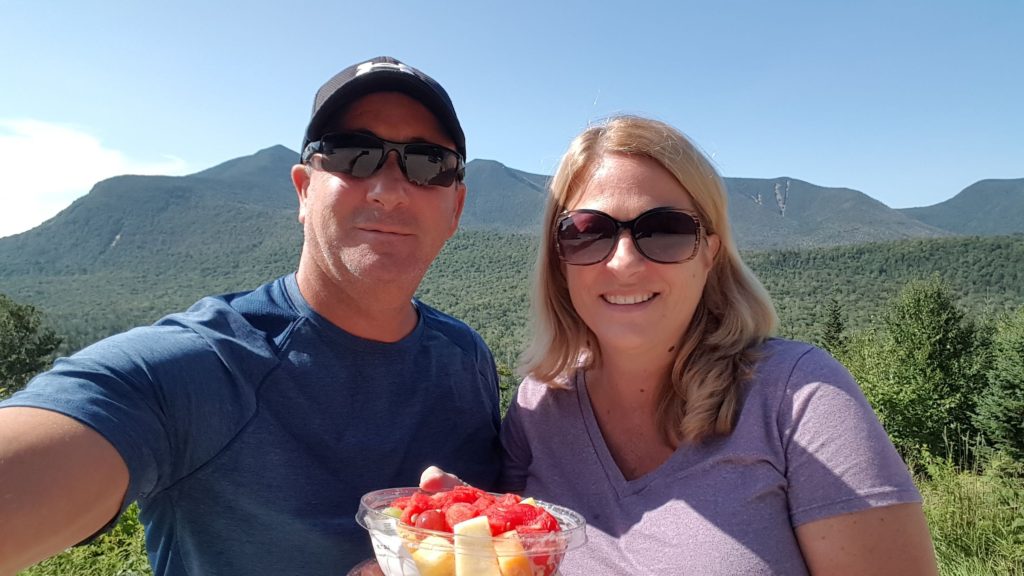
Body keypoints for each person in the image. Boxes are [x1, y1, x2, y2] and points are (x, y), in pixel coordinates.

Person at [0, 56, 502, 576]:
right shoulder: (196, 368)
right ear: (304, 190)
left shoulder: (466, 359)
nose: (389, 189)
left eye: (427, 164)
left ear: (456, 209)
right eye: (354, 154)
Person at [496, 115, 939, 574]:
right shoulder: (540, 407)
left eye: (665, 230)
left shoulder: (799, 398)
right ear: (559, 258)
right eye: (587, 233)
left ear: (710, 252)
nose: (624, 262)